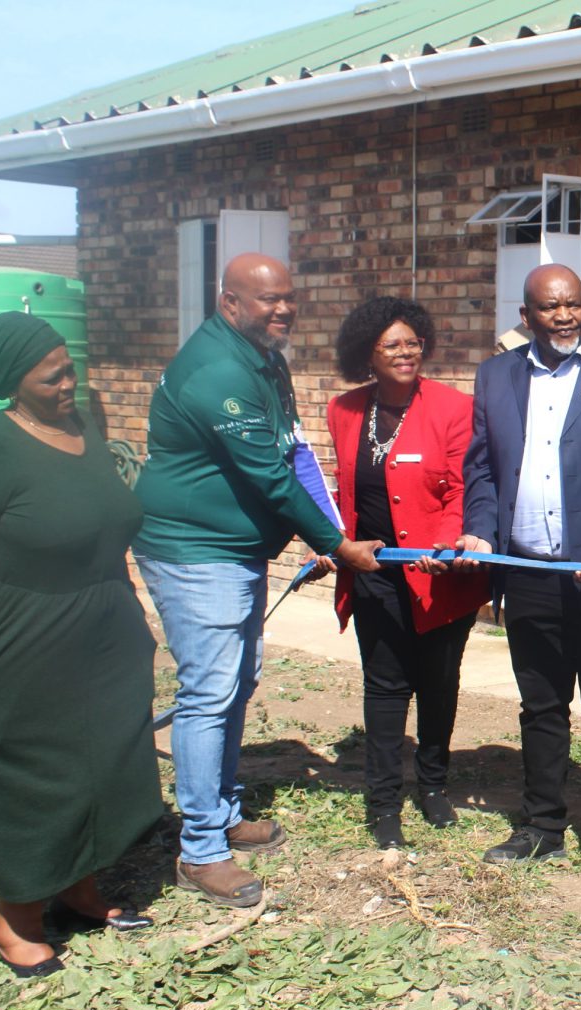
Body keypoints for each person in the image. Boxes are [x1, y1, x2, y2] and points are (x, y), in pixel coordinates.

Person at [134, 253, 382, 907]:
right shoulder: (219, 372)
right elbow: (269, 479)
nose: (281, 309)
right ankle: (201, 851)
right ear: (229, 302)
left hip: (233, 549)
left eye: (287, 298)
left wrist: (331, 530)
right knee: (209, 694)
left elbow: (293, 450)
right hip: (195, 551)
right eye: (265, 299)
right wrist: (336, 545)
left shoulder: (264, 357)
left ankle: (220, 812)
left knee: (234, 684)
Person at [0, 313, 163, 978]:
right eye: (52, 377)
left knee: (106, 759)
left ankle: (80, 888)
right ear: (13, 383)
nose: (68, 383)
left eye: (69, 368)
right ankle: (17, 914)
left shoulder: (85, 429)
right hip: (26, 637)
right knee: (34, 770)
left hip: (104, 629)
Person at [452, 263, 581, 878]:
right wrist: (481, 531)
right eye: (549, 307)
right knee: (540, 705)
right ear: (526, 316)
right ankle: (543, 825)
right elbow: (482, 469)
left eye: (573, 304)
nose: (564, 316)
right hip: (528, 572)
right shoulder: (495, 377)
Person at [321, 297, 489, 850]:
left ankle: (434, 785)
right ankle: (383, 802)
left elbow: (464, 488)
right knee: (386, 686)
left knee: (438, 684)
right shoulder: (343, 410)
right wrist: (333, 544)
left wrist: (445, 540)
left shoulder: (453, 408)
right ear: (367, 352)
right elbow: (343, 491)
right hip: (374, 572)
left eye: (413, 342)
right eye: (391, 344)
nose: (405, 353)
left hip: (440, 574)